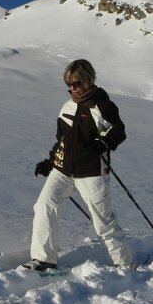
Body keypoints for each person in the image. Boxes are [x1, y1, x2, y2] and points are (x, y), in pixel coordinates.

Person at [27, 59, 132, 271]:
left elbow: (118, 131)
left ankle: (125, 264)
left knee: (103, 222)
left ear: (88, 80)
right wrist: (50, 161)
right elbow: (62, 140)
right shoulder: (67, 107)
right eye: (69, 84)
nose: (72, 88)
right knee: (44, 206)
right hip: (63, 170)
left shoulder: (102, 106)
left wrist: (103, 142)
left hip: (92, 171)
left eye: (76, 83)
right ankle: (44, 260)